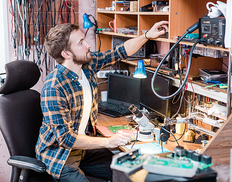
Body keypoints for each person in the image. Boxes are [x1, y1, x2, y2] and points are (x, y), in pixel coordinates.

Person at [35, 21, 169, 181]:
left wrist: (147, 35)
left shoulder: (87, 65)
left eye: (84, 39)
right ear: (66, 54)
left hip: (85, 151)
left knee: (129, 173)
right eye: (81, 43)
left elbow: (119, 52)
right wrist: (107, 142)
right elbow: (66, 139)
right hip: (60, 156)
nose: (88, 45)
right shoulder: (54, 87)